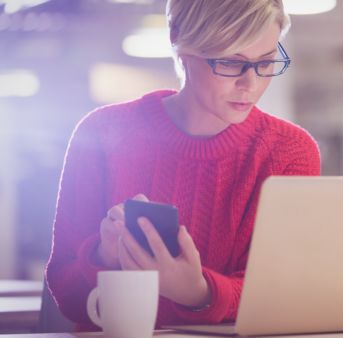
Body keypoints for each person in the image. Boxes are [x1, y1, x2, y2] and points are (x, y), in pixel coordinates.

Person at [45, 0, 320, 330]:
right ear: (179, 41)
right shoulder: (102, 133)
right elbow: (67, 294)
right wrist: (104, 255)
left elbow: (283, 296)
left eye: (266, 62)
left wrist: (198, 293)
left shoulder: (289, 150)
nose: (251, 84)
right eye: (231, 63)